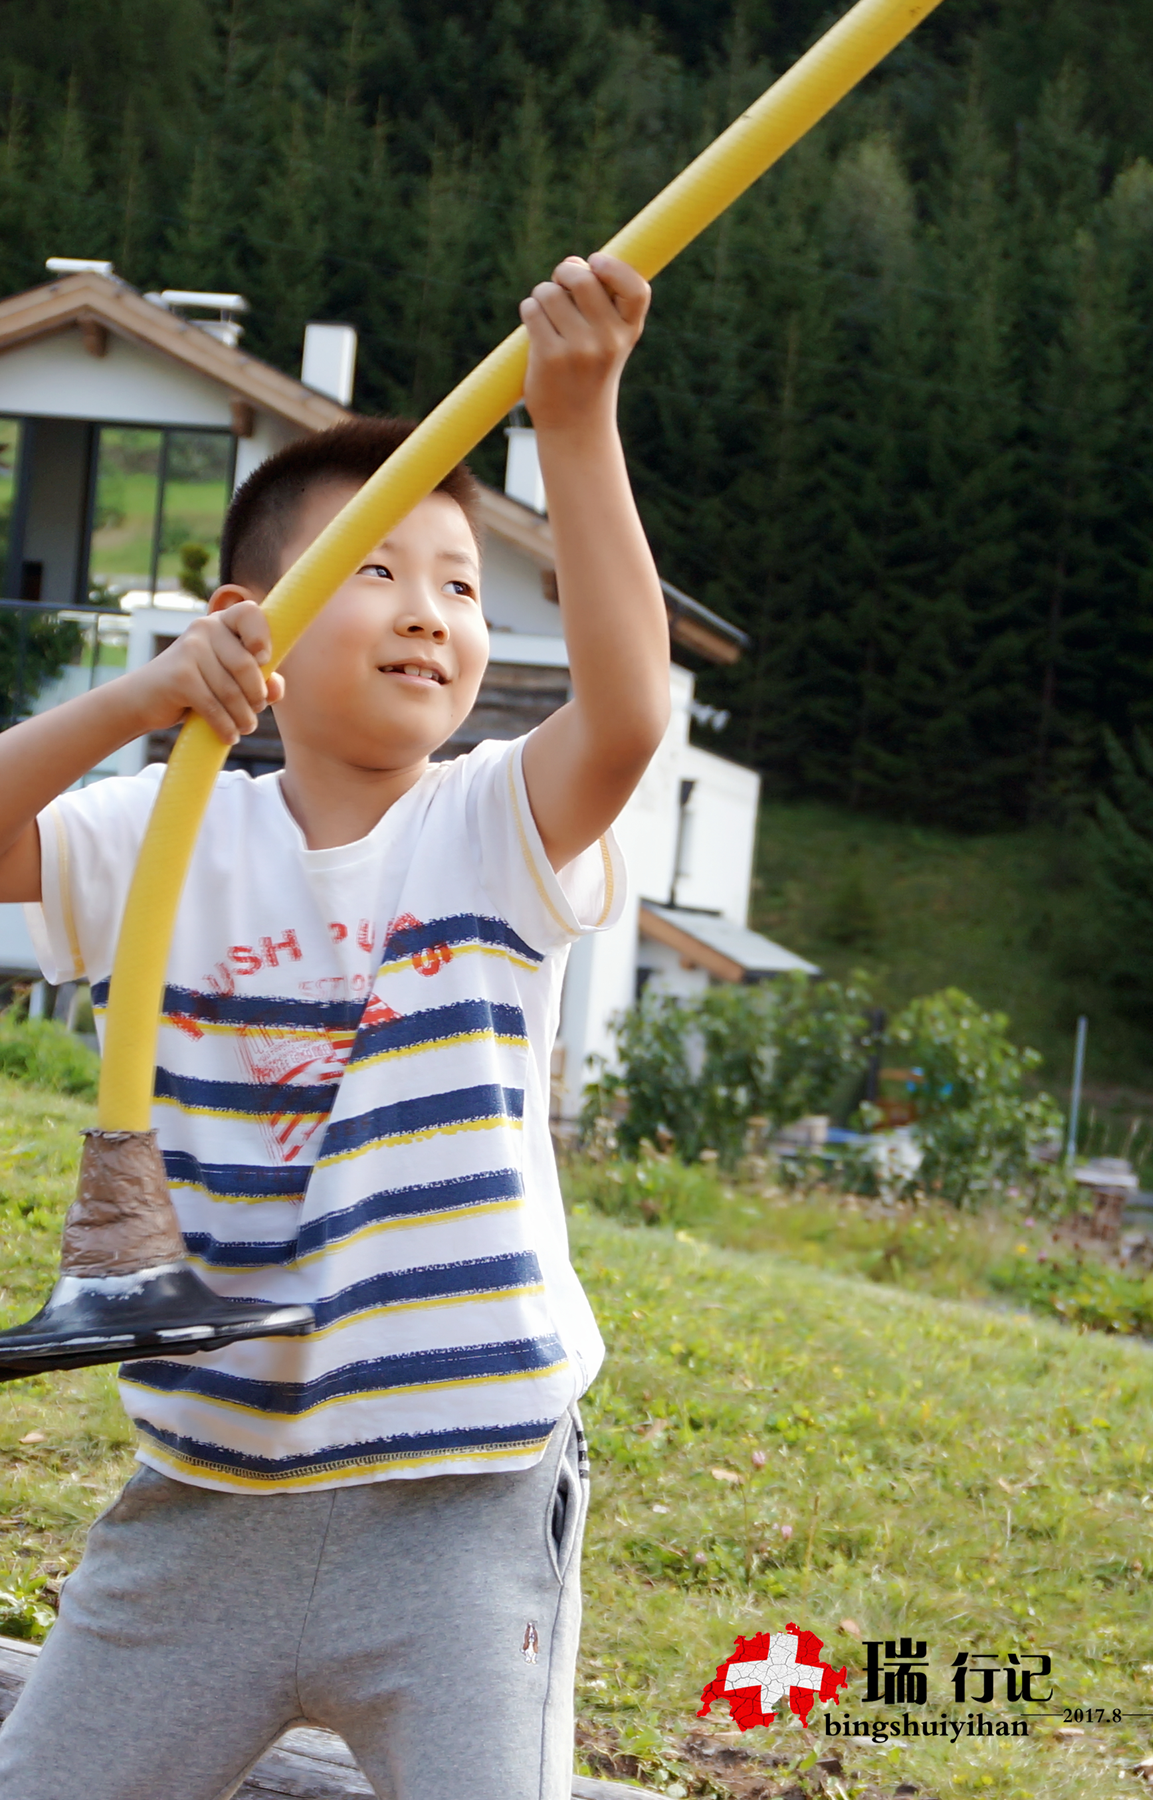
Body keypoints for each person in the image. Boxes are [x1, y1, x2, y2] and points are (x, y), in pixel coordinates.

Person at [0, 252, 667, 1800]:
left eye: (463, 584)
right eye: (381, 569)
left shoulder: (499, 824)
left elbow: (630, 714)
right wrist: (137, 701)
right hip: (209, 1499)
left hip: (461, 1503)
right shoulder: (164, 835)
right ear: (257, 623)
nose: (434, 612)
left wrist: (575, 418)